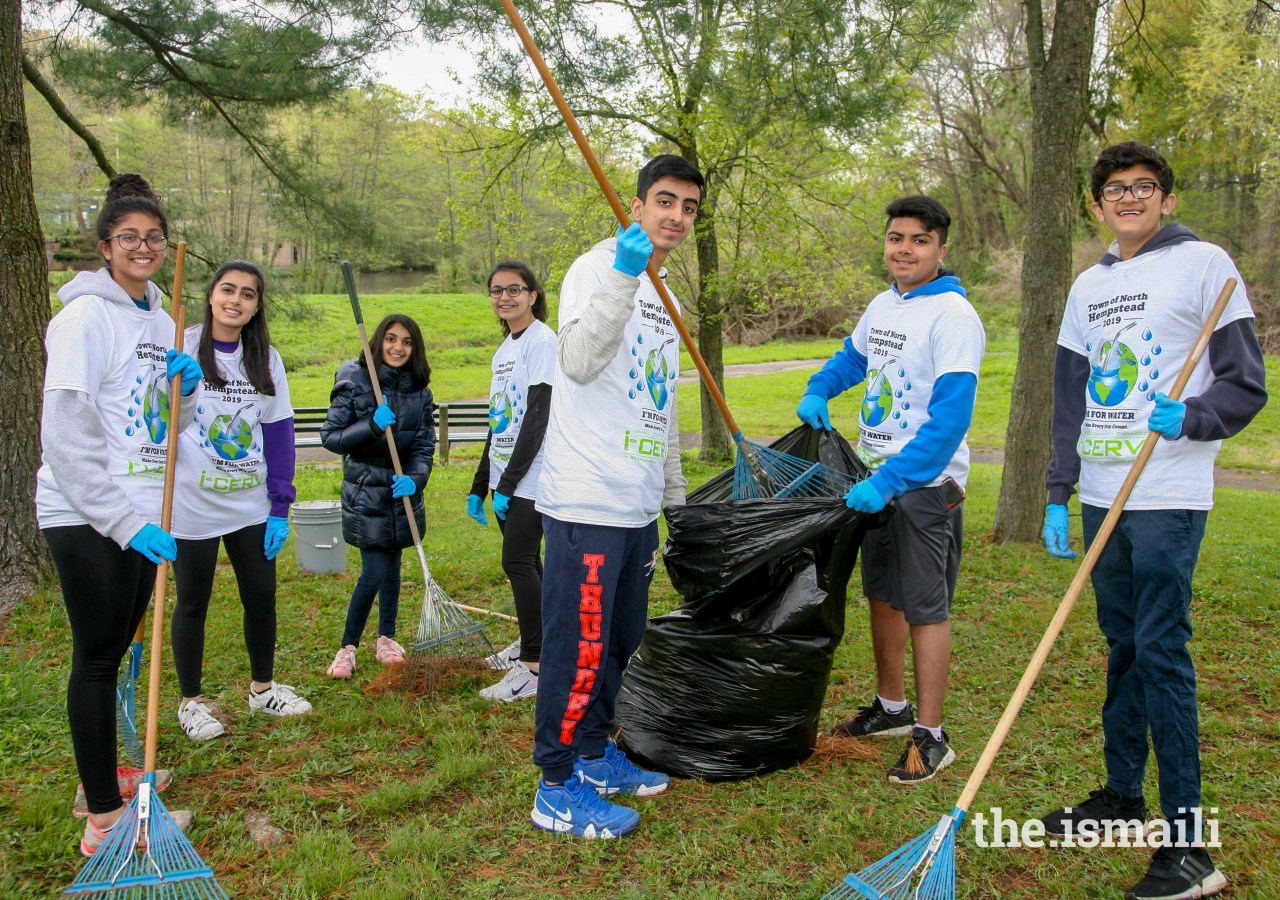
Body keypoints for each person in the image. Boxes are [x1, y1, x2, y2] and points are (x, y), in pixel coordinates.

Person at [1037, 141, 1266, 900]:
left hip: (1165, 492)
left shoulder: (1208, 266)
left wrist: (1193, 414)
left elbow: (1245, 385)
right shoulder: (1087, 286)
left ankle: (1192, 844)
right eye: (1113, 188)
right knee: (1122, 644)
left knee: (1162, 651)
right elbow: (1071, 400)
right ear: (1098, 204)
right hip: (1104, 493)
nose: (1128, 197)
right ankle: (1122, 799)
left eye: (1143, 186)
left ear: (1166, 198)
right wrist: (1058, 489)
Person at [529, 154, 696, 839]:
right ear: (634, 205)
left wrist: (675, 499)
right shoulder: (596, 269)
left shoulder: (672, 300)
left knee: (620, 642)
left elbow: (666, 412)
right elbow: (578, 360)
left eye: (688, 207)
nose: (676, 217)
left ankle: (597, 755)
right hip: (587, 500)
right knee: (578, 647)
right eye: (664, 201)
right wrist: (626, 274)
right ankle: (557, 784)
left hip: (636, 505)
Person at [36, 174, 201, 855]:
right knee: (99, 657)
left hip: (141, 508)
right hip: (87, 512)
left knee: (119, 649)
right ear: (105, 246)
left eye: (153, 237)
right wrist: (123, 523)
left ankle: (112, 776)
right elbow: (66, 437)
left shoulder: (163, 321)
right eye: (129, 237)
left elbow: (167, 422)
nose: (143, 247)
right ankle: (102, 816)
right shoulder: (82, 318)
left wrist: (186, 394)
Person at [796, 195, 985, 785]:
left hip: (925, 488)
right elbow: (853, 359)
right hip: (874, 481)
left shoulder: (954, 316)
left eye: (918, 240)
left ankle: (931, 736)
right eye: (896, 239)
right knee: (883, 594)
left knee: (926, 608)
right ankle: (892, 709)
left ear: (940, 249)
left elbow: (949, 420)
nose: (904, 249)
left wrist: (892, 481)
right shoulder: (884, 305)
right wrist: (819, 388)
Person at [168, 261, 312, 741]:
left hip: (249, 505)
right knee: (192, 601)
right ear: (211, 295)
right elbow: (158, 421)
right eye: (227, 290)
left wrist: (279, 503)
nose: (236, 300)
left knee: (261, 598)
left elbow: (279, 434)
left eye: (247, 294)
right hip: (192, 503)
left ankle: (262, 689)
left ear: (255, 307)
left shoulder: (266, 359)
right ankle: (191, 702)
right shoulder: (182, 345)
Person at [321, 314, 436, 677]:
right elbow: (332, 437)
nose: (397, 348)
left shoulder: (420, 390)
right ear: (378, 341)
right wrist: (370, 426)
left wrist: (416, 478)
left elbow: (423, 445)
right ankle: (347, 647)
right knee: (373, 571)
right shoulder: (355, 380)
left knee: (393, 570)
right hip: (367, 492)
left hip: (401, 493)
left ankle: (386, 638)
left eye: (406, 341)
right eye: (390, 339)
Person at [467, 261, 556, 703]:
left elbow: (538, 419)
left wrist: (510, 483)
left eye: (514, 289)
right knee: (530, 565)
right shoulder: (504, 351)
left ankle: (536, 668)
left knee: (517, 562)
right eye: (496, 290)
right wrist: (480, 483)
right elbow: (498, 422)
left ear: (533, 295)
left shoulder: (543, 343)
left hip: (532, 478)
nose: (505, 297)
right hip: (507, 478)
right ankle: (535, 641)